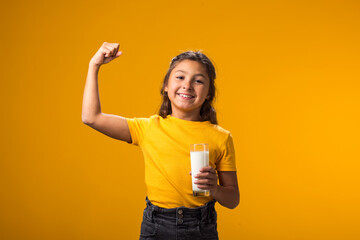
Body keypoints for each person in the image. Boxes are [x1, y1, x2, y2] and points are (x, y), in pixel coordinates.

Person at [82, 42, 240, 240]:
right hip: (157, 226)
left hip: (201, 227)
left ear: (208, 93)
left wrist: (215, 189)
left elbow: (233, 199)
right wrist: (94, 65)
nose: (187, 85)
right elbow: (91, 117)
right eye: (180, 77)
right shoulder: (148, 128)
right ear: (166, 86)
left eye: (198, 81)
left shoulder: (221, 137)